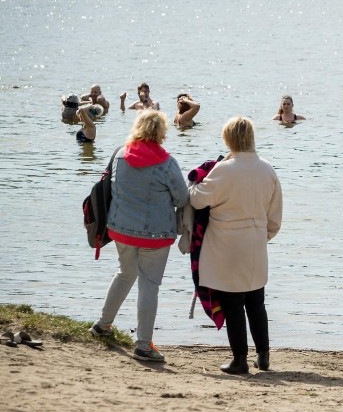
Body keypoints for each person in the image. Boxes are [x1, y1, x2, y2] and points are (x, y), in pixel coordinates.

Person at [90, 109, 189, 363]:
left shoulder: (121, 154)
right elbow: (181, 198)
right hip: (154, 235)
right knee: (149, 285)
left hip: (120, 229)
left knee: (125, 274)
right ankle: (143, 345)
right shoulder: (167, 162)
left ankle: (102, 324)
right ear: (161, 132)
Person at [188, 117, 283, 374]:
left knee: (232, 304)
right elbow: (275, 217)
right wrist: (263, 235)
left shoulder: (223, 169)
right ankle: (263, 355)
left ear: (228, 138)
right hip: (255, 242)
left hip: (227, 245)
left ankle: (239, 359)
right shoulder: (267, 169)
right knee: (255, 301)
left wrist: (196, 180)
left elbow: (197, 200)